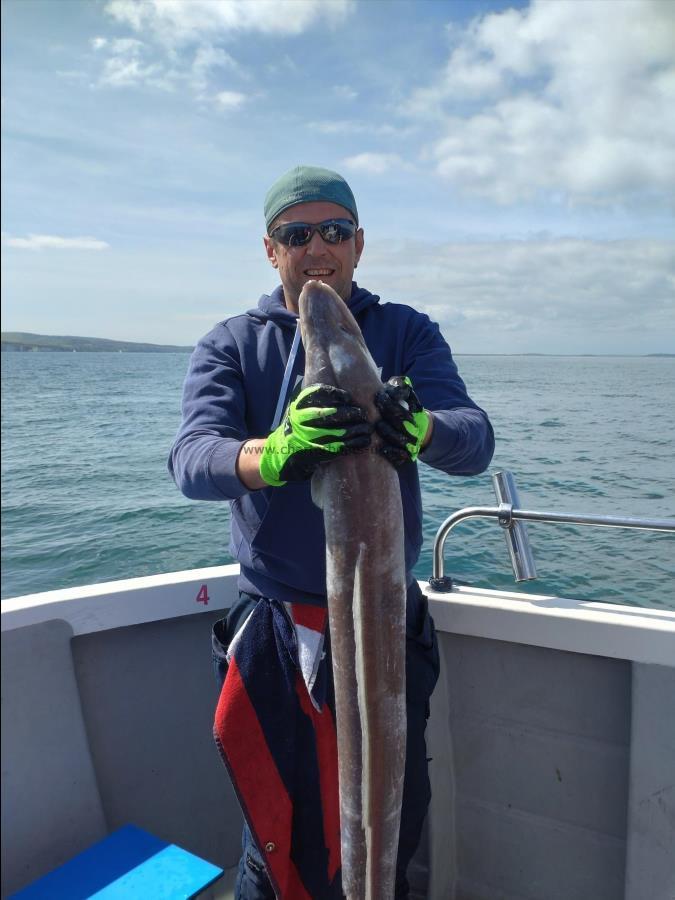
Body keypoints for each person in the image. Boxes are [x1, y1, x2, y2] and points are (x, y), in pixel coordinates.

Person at [169, 165, 495, 899]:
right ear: (269, 248)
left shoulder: (404, 332)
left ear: (358, 242)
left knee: (393, 815)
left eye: (334, 231)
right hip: (278, 624)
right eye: (296, 234)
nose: (317, 248)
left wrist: (423, 428)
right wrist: (274, 453)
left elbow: (473, 441)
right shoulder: (231, 344)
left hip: (386, 613)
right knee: (277, 828)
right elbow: (193, 459)